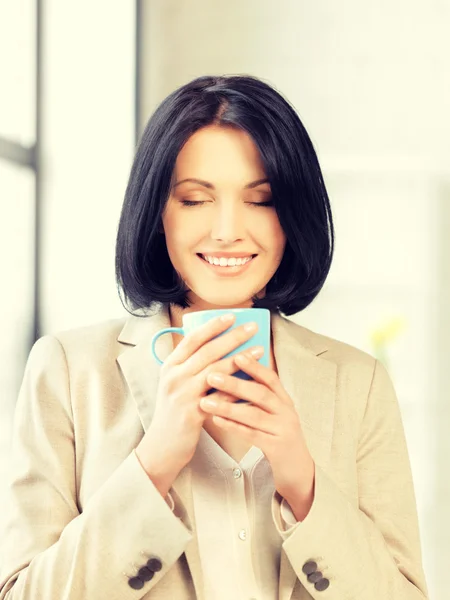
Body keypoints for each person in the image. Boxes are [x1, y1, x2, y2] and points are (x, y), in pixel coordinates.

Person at [0, 75, 429, 600]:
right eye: (195, 199)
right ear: (158, 214)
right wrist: (154, 461)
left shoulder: (357, 384)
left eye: (261, 200)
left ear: (291, 219)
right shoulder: (68, 372)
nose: (227, 230)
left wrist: (302, 480)